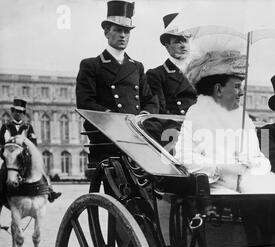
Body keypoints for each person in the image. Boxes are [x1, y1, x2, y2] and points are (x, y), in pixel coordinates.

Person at [174, 51, 275, 194]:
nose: (242, 92)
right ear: (218, 89)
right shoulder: (197, 113)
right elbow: (183, 156)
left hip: (248, 182)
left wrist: (254, 164)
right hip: (215, 187)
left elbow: (261, 159)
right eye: (237, 86)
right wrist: (219, 167)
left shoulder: (241, 116)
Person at [76, 0, 158, 165]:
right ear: (106, 32)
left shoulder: (137, 67)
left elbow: (150, 99)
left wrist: (143, 116)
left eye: (127, 31)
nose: (123, 35)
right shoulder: (91, 65)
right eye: (118, 30)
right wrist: (116, 119)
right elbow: (85, 102)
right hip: (108, 138)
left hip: (137, 137)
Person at [0, 99, 61, 202]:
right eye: (16, 111)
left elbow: (33, 144)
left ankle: (49, 190)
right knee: (2, 173)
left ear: (23, 113)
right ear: (12, 112)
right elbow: (1, 144)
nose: (18, 113)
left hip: (24, 158)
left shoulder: (28, 127)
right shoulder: (5, 127)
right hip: (10, 158)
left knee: (41, 168)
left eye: (21, 112)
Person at [146, 13, 197, 115]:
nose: (183, 46)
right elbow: (160, 110)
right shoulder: (156, 74)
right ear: (167, 45)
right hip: (174, 125)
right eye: (178, 42)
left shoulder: (200, 70)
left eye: (185, 41)